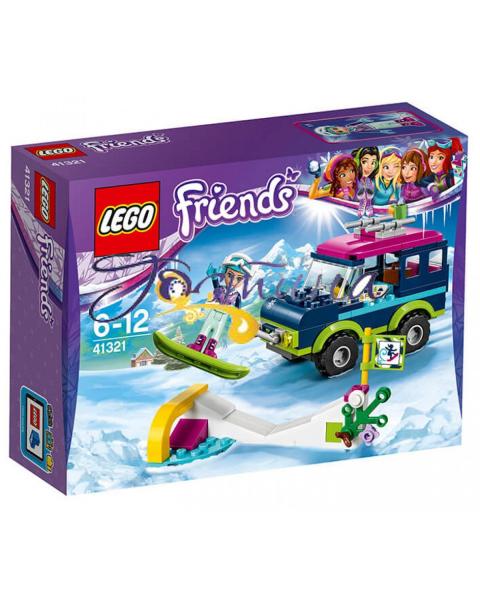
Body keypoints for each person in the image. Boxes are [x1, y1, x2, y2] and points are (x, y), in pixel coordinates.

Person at [187, 253, 253, 358]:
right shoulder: (221, 289)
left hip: (223, 316)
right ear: (224, 273)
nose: (233, 281)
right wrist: (213, 277)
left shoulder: (237, 296)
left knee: (217, 333)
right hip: (213, 312)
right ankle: (198, 345)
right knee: (206, 328)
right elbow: (216, 285)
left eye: (239, 278)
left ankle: (210, 350)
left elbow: (237, 309)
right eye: (230, 275)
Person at [352, 146, 380, 216]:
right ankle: (362, 202)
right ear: (358, 161)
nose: (369, 167)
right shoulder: (354, 178)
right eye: (364, 162)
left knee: (369, 185)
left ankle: (368, 203)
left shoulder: (370, 181)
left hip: (368, 185)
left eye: (373, 163)